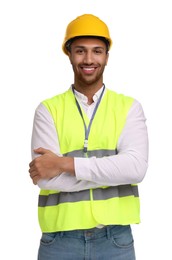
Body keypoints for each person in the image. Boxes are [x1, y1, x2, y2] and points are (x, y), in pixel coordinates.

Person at [29, 14, 149, 260]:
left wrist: (64, 164)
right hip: (59, 240)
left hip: (114, 241)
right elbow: (45, 179)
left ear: (106, 56)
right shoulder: (48, 109)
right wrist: (114, 174)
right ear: (69, 54)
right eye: (80, 51)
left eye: (97, 51)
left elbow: (135, 169)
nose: (89, 59)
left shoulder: (129, 108)